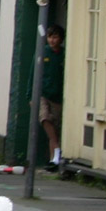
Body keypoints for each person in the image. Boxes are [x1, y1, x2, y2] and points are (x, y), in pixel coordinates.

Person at [39, 24, 66, 170]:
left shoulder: (63, 55)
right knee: (45, 119)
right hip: (44, 94)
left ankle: (54, 160)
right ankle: (55, 153)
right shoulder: (43, 52)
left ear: (61, 39)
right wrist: (31, 94)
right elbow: (34, 72)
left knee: (56, 126)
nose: (52, 40)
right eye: (50, 37)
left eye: (55, 37)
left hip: (58, 95)